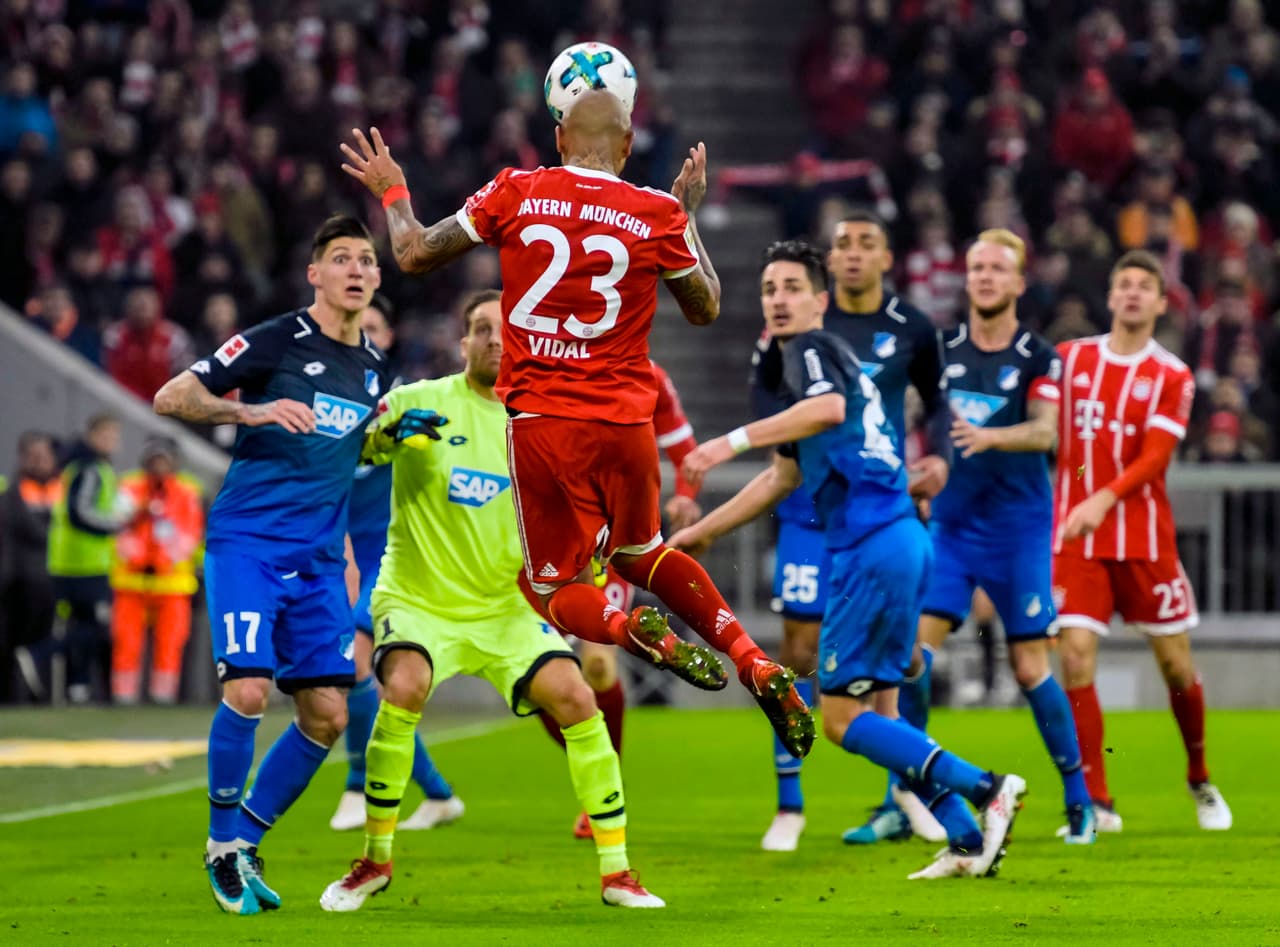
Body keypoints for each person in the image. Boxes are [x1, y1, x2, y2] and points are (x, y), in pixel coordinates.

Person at [339, 92, 813, 760]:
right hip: (625, 424)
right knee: (643, 554)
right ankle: (750, 657)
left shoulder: (516, 190)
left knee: (554, 590)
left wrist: (393, 191)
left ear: (559, 138)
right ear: (628, 146)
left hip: (543, 423)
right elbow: (705, 306)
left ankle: (628, 629)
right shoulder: (655, 210)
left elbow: (414, 253)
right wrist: (686, 216)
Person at [673, 240, 1026, 880]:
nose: (778, 300)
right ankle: (966, 837)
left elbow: (828, 409)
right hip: (899, 539)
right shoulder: (819, 365)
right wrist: (701, 535)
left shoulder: (811, 351)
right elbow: (782, 478)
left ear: (820, 300)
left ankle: (988, 786)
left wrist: (726, 443)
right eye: (769, 290)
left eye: (791, 288)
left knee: (839, 719)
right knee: (884, 712)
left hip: (872, 548)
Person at [320, 292, 663, 911]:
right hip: (420, 601)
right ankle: (373, 861)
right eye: (481, 329)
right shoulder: (418, 401)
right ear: (463, 343)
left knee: (577, 698)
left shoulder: (551, 421)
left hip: (507, 607)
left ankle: (618, 874)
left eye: (507, 331)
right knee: (403, 687)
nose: (495, 340)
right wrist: (385, 436)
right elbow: (354, 449)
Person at [153, 214, 392, 915]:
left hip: (318, 561)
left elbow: (351, 453)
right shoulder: (274, 340)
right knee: (250, 691)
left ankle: (245, 842)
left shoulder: (376, 368)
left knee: (327, 713)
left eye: (366, 259)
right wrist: (251, 414)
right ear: (314, 274)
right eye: (340, 258)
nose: (355, 269)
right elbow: (171, 395)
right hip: (250, 544)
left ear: (377, 277)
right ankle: (219, 844)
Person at [750, 210, 951, 851]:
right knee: (799, 650)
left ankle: (907, 792)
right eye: (843, 244)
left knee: (903, 657)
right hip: (810, 510)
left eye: (868, 243)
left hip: (878, 505)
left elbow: (937, 404)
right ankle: (789, 803)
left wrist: (939, 459)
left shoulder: (913, 327)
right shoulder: (796, 328)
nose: (855, 253)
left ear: (887, 258)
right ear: (829, 262)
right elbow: (771, 406)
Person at [910, 229, 1096, 843]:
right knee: (912, 658)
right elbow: (914, 413)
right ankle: (915, 793)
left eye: (997, 268)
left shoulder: (1039, 356)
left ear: (1018, 282)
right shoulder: (940, 350)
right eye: (977, 268)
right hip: (953, 527)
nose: (985, 277)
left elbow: (1046, 432)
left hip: (1018, 530)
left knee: (1029, 666)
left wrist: (988, 437)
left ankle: (1079, 798)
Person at [1054, 249, 1232, 833]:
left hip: (1144, 540)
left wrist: (1102, 497)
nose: (1132, 293)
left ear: (1160, 303)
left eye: (1143, 286)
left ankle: (1199, 776)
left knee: (1176, 666)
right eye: (1124, 284)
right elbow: (1050, 430)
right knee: (1074, 656)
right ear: (1110, 297)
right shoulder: (1070, 360)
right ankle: (1096, 801)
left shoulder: (1172, 375)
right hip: (1077, 538)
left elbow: (1155, 458)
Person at [534, 358, 705, 840]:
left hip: (608, 538)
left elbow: (683, 447)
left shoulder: (649, 376)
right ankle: (599, 770)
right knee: (534, 677)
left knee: (598, 666)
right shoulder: (547, 363)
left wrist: (686, 494)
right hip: (544, 532)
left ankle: (604, 788)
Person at [330, 293, 463, 833]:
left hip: (397, 559)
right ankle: (439, 793)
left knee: (354, 664)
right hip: (347, 558)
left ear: (388, 338)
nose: (361, 334)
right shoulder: (324, 402)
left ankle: (357, 784)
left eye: (372, 327)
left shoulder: (408, 402)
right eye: (352, 324)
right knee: (383, 684)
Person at [21, 415, 129, 704]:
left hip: (68, 560)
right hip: (84, 564)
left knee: (81, 626)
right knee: (92, 627)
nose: (112, 442)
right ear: (91, 435)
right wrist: (116, 524)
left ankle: (77, 687)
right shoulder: (90, 467)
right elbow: (79, 513)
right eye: (107, 435)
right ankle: (41, 653)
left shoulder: (75, 465)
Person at [108, 436, 203, 705]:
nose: (159, 466)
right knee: (126, 640)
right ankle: (123, 694)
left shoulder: (186, 492)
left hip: (172, 581)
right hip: (131, 579)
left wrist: (166, 558)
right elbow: (117, 524)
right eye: (154, 460)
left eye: (164, 460)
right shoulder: (130, 487)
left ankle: (163, 694)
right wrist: (140, 519)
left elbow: (191, 533)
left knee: (171, 641)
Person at [1, 432, 61, 703]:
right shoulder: (12, 493)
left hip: (62, 578)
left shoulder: (64, 488)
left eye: (44, 456)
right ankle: (20, 695)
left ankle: (46, 694)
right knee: (18, 642)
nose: (39, 462)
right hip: (23, 581)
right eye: (33, 456)